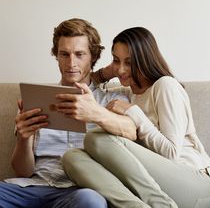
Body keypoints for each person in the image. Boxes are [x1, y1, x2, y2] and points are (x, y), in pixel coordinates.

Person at [62, 27, 210, 208]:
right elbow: (88, 81)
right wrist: (110, 71)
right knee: (71, 157)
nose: (120, 69)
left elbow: (171, 153)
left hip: (195, 186)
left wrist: (134, 113)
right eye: (116, 61)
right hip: (161, 188)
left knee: (96, 138)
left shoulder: (165, 86)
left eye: (129, 62)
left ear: (144, 60)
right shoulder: (129, 92)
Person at [0, 18, 135, 208]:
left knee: (91, 201)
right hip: (33, 186)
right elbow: (22, 172)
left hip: (79, 191)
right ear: (56, 55)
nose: (71, 63)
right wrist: (24, 138)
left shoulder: (114, 101)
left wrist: (96, 113)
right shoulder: (35, 98)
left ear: (93, 57)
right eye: (64, 54)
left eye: (79, 54)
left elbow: (133, 132)